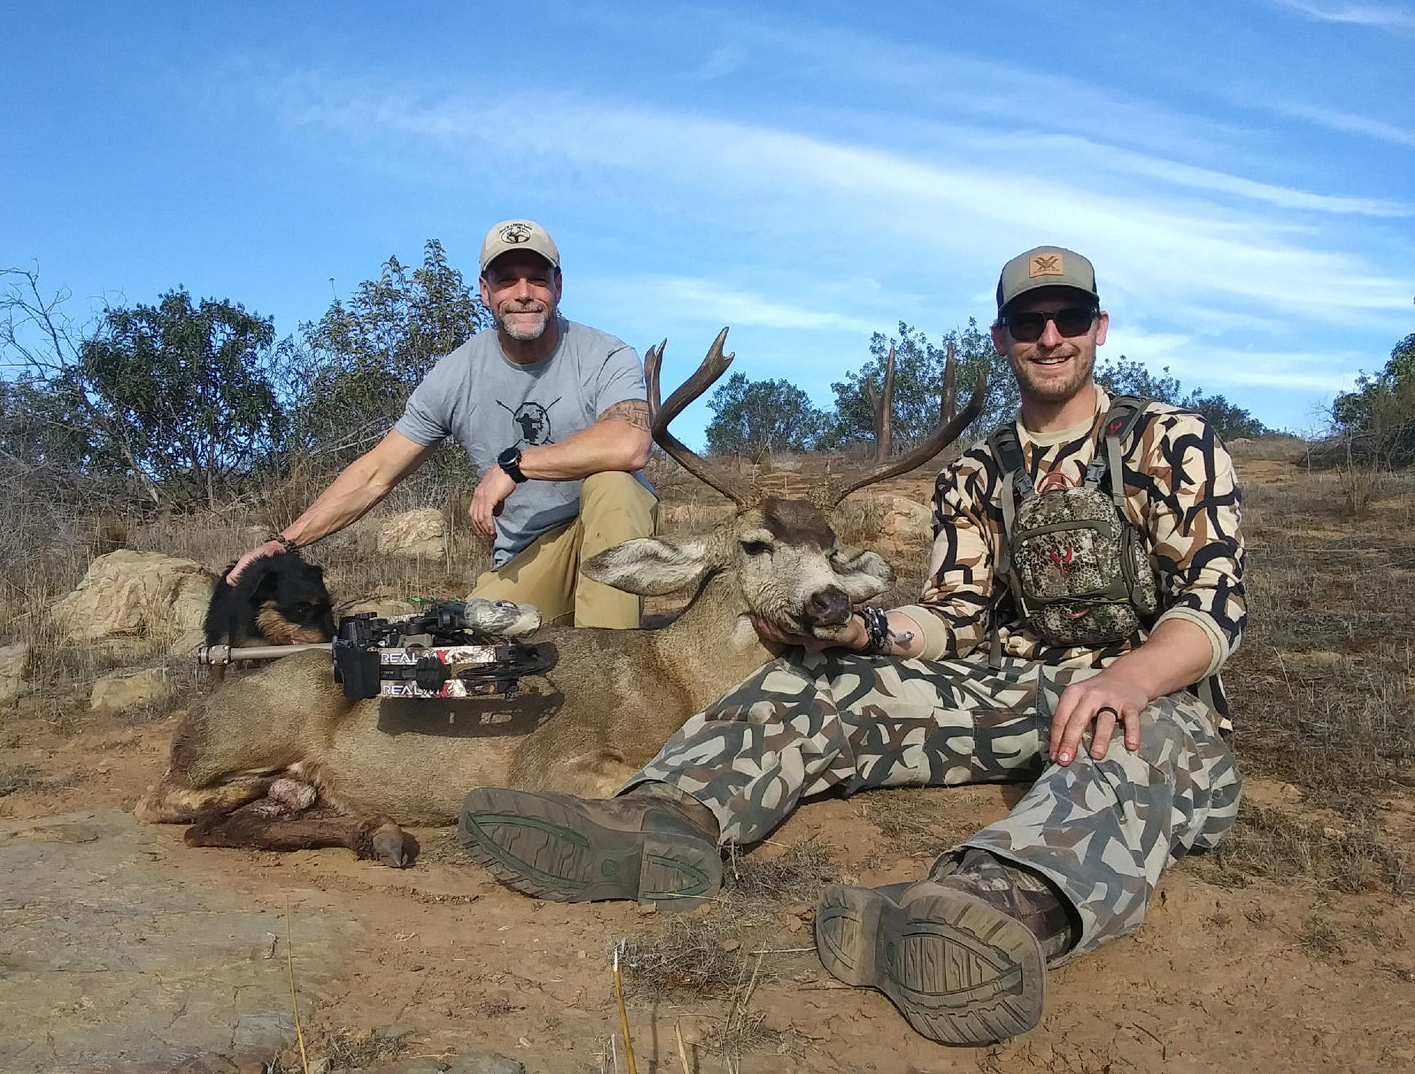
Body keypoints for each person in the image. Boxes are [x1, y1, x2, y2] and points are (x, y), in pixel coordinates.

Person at [459, 246, 1246, 1044]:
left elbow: (1213, 607)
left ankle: (990, 905)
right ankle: (662, 819)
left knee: (1120, 742)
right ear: (1002, 337)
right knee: (811, 677)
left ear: (1098, 327)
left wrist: (1130, 678)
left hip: (1153, 703)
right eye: (1027, 321)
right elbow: (955, 615)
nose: (1049, 336)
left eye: (1068, 317)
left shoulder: (1172, 441)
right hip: (1011, 691)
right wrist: (862, 630)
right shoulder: (977, 473)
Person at [228, 219, 657, 628]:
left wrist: (515, 466)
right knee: (468, 643)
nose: (524, 293)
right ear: (485, 291)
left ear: (558, 286)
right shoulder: (456, 374)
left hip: (610, 537)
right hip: (530, 558)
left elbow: (629, 444)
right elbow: (376, 473)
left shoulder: (606, 354)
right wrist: (284, 543)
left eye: (538, 279)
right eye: (507, 280)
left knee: (616, 485)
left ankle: (615, 662)